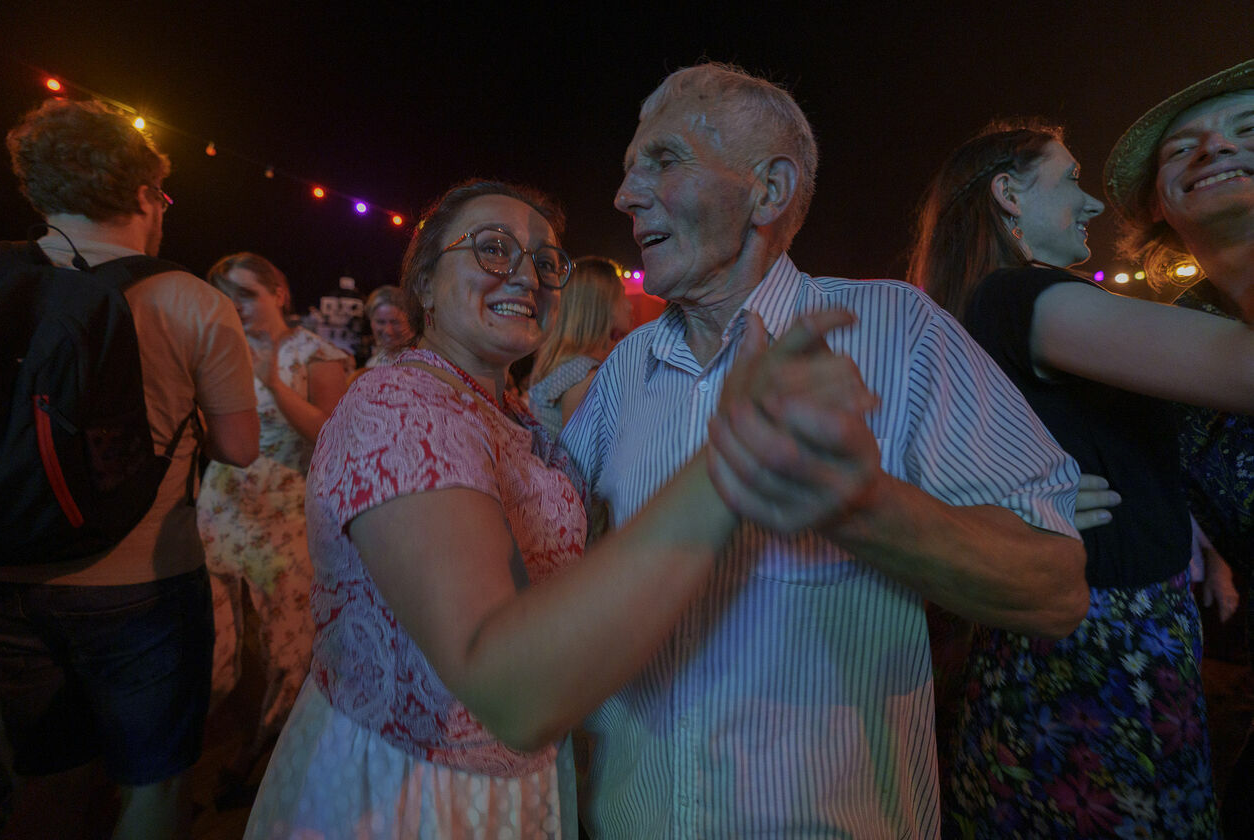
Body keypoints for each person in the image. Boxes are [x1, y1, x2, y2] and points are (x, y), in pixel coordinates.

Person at [558, 61, 1090, 838]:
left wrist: (862, 507)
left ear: (769, 191)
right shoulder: (623, 372)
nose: (624, 194)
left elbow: (1053, 585)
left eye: (662, 161)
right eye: (628, 168)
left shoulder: (895, 333)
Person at [243, 179, 858, 838]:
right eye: (493, 249)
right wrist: (734, 456)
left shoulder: (503, 407)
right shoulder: (400, 408)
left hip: (512, 775)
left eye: (545, 261)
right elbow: (500, 680)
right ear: (424, 282)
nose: (527, 275)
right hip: (409, 789)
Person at [908, 116, 1254, 837]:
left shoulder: (997, 301)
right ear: (1008, 195)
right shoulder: (1022, 296)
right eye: (1070, 180)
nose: (1094, 204)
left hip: (1088, 640)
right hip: (1098, 656)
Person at [0, 99, 258, 840]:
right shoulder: (191, 301)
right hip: (140, 582)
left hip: (9, 577)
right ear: (145, 194)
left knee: (45, 781)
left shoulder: (2, 282)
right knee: (153, 783)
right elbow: (240, 449)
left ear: (39, 191)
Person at [1105, 57, 1254, 836]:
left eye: (1247, 130)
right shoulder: (1177, 337)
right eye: (1180, 149)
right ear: (1158, 208)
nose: (1211, 151)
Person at [197, 251, 352, 805]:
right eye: (227, 296)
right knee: (209, 647)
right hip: (218, 514)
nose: (236, 307)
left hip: (283, 520)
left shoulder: (318, 354)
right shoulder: (219, 348)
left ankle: (255, 759)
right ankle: (181, 758)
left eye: (245, 294)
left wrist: (272, 382)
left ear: (278, 293)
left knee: (288, 650)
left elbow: (330, 434)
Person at [527, 256, 632, 437]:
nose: (630, 306)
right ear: (599, 305)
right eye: (622, 295)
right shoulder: (585, 377)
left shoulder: (565, 369)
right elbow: (585, 462)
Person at [364, 284, 413, 367]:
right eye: (381, 322)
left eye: (395, 322)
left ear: (411, 322)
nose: (388, 331)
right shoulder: (372, 364)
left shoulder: (424, 362)